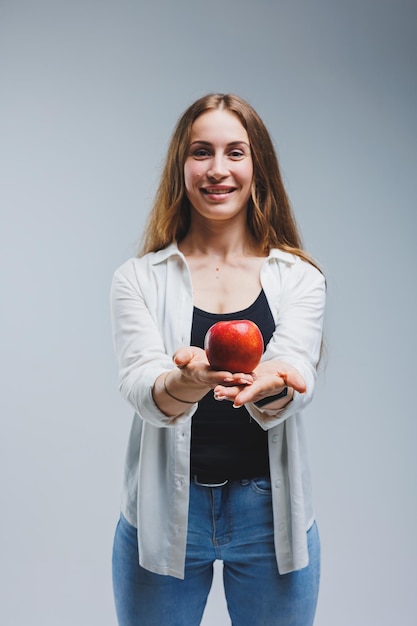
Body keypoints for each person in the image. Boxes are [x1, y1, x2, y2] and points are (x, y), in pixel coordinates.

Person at [110, 93, 326, 626]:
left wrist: (274, 385)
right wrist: (191, 381)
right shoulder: (138, 279)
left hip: (268, 513)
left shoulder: (300, 278)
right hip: (165, 514)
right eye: (201, 151)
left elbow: (294, 364)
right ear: (181, 166)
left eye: (235, 152)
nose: (217, 169)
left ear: (258, 167)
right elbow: (142, 386)